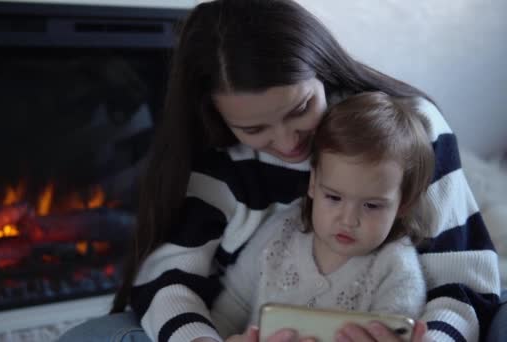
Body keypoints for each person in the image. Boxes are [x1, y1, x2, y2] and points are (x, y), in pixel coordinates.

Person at [58, 0, 501, 341]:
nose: (290, 142)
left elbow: (466, 280)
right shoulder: (221, 156)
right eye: (255, 128)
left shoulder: (412, 128)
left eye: (301, 108)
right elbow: (168, 278)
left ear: (321, 70)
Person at [216, 92, 432, 340]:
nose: (348, 220)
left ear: (403, 205)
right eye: (333, 198)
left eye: (372, 206)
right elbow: (229, 308)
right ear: (313, 184)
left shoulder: (396, 270)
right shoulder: (282, 231)